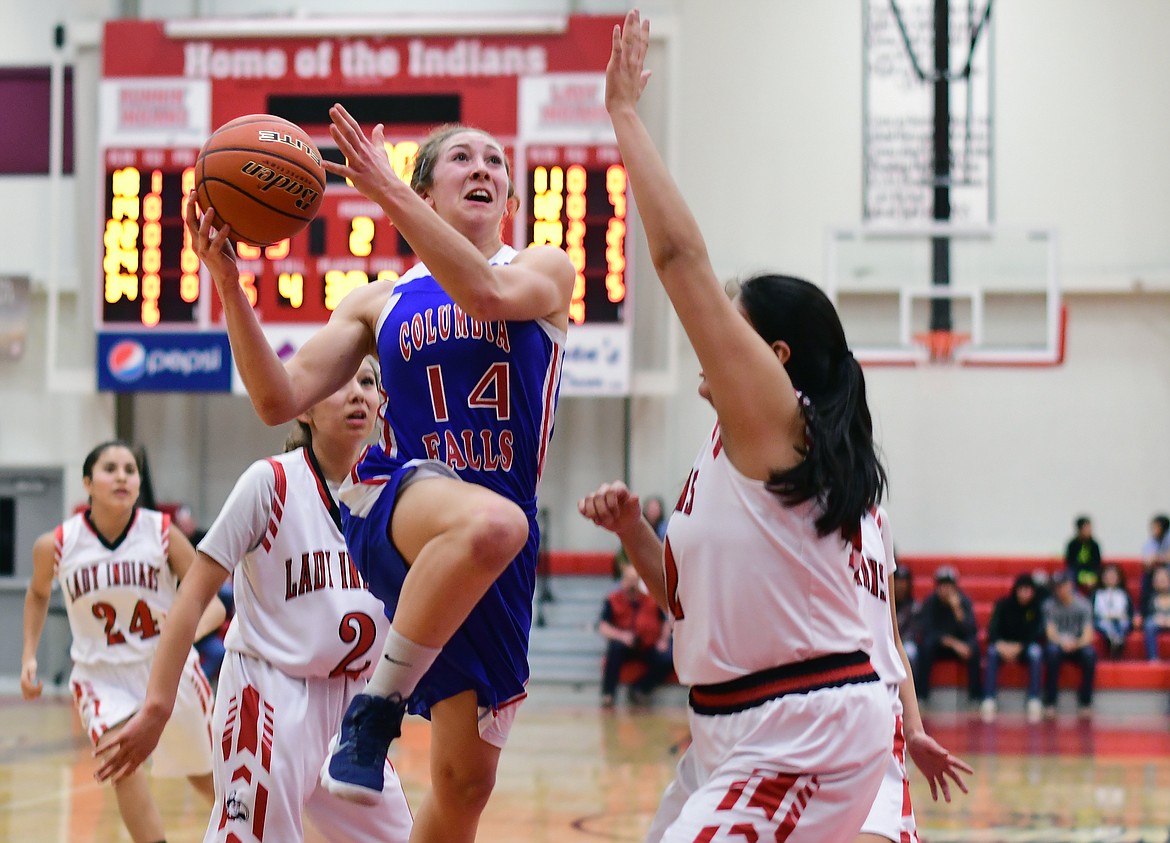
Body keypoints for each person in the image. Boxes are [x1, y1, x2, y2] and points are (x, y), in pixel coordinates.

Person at [185, 96, 574, 841]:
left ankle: (375, 715)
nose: (484, 167)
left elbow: (486, 293)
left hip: (492, 552)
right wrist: (229, 284)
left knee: (465, 786)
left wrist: (385, 191)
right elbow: (278, 399)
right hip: (397, 496)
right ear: (426, 189)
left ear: (511, 201)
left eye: (496, 160)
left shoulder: (541, 268)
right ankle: (374, 714)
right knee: (495, 520)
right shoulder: (378, 299)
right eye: (463, 156)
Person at [579, 13, 892, 841]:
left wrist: (624, 115)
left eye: (733, 327)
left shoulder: (778, 427)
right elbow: (680, 594)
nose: (711, 340)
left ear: (773, 354)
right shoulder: (722, 456)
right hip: (725, 725)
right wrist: (635, 534)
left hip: (800, 725)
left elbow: (680, 263)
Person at [93, 361, 413, 843]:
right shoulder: (269, 483)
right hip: (268, 692)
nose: (357, 394)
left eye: (367, 382)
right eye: (338, 381)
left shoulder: (398, 491)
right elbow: (192, 597)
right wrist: (158, 708)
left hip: (353, 706)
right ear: (303, 408)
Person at [20, 440, 222, 843]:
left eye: (130, 470)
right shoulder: (56, 545)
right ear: (87, 483)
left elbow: (212, 605)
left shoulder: (162, 534)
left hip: (166, 670)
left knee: (206, 775)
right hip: (102, 675)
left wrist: (183, 635)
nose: (122, 477)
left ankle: (263, 830)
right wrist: (29, 655)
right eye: (110, 469)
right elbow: (39, 593)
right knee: (119, 763)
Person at [854, 507, 972, 843]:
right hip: (809, 722)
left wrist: (914, 730)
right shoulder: (786, 517)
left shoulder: (876, 520)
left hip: (876, 725)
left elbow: (891, 640)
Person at [597, 563, 673, 707]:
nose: (632, 583)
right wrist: (621, 636)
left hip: (647, 644)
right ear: (622, 580)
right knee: (614, 650)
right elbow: (603, 626)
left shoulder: (651, 599)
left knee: (667, 658)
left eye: (634, 579)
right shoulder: (613, 599)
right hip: (624, 644)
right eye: (628, 579)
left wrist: (663, 640)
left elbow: (665, 622)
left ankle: (640, 688)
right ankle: (608, 694)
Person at [911, 566, 982, 706]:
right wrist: (952, 643)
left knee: (974, 648)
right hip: (940, 646)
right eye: (942, 586)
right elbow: (927, 630)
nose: (946, 589)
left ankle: (975, 697)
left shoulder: (964, 602)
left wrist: (957, 610)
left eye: (949, 586)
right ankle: (922, 696)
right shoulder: (930, 602)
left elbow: (971, 630)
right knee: (925, 647)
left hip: (960, 647)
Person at [980, 574, 1045, 722]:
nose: (1024, 593)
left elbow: (1037, 633)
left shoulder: (1036, 608)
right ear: (1016, 590)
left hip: (1024, 647)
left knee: (1036, 653)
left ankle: (1034, 698)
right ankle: (989, 698)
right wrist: (1001, 644)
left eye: (1028, 590)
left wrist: (1019, 647)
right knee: (991, 652)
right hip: (1003, 646)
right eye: (1022, 589)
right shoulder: (1003, 605)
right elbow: (992, 630)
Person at [1042, 570, 1097, 719]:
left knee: (1089, 654)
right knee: (1051, 652)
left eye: (1062, 586)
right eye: (1057, 587)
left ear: (1070, 586)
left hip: (1078, 645)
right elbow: (1050, 633)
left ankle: (1085, 702)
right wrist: (1062, 642)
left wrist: (1076, 644)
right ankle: (1050, 703)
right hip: (1059, 644)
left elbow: (1088, 635)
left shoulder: (1083, 604)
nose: (1059, 590)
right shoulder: (1049, 605)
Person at [1092, 562, 1135, 659]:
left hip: (1120, 619)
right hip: (1102, 619)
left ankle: (1118, 640)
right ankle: (1113, 639)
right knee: (1105, 625)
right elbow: (1093, 611)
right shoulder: (1097, 594)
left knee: (1124, 624)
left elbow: (1130, 612)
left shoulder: (1124, 594)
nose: (1110, 579)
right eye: (1107, 576)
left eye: (1113, 576)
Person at [1139, 514, 1170, 610]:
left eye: (1156, 527)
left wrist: (1157, 557)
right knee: (1147, 576)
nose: (1154, 529)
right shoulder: (1152, 541)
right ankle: (1145, 612)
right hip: (1155, 572)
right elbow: (1147, 560)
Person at [1065, 515, 1102, 594]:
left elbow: (1097, 562)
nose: (1089, 530)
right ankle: (1074, 598)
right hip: (1077, 571)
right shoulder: (1073, 544)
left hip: (1090, 571)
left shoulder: (1094, 544)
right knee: (1070, 575)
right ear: (1079, 529)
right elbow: (1070, 562)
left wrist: (1088, 575)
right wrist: (1082, 573)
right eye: (1086, 528)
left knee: (1099, 576)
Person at [892, 566, 921, 665]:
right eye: (898, 581)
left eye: (904, 582)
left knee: (910, 652)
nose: (901, 585)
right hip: (888, 642)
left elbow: (914, 633)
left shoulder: (914, 607)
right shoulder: (885, 605)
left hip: (905, 642)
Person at [1141, 565, 1170, 662]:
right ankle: (1153, 658)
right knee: (1149, 624)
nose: (1161, 582)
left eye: (1164, 579)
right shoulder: (1149, 597)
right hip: (1156, 621)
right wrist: (1157, 618)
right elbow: (1144, 614)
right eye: (1158, 579)